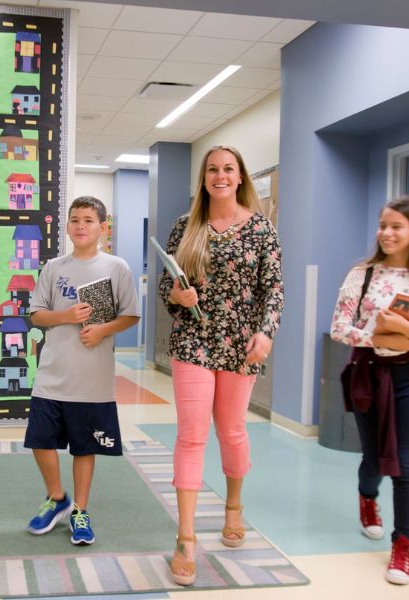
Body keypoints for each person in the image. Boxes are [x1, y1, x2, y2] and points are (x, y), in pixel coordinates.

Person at [158, 145, 284, 586]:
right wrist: (177, 295)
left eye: (228, 168)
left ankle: (234, 506)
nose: (220, 175)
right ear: (204, 178)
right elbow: (164, 286)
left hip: (240, 346)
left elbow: (275, 289)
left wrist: (265, 332)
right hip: (193, 340)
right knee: (191, 436)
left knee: (231, 430)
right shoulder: (185, 226)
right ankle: (186, 537)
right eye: (212, 169)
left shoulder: (262, 229)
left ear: (240, 176)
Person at [330, 196, 409, 585]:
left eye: (396, 227)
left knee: (404, 463)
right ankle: (368, 498)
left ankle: (403, 545)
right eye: (383, 226)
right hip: (368, 372)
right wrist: (377, 335)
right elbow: (338, 327)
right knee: (372, 459)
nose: (386, 233)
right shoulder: (362, 275)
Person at [24, 196, 140, 545]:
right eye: (74, 220)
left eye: (88, 220)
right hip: (52, 374)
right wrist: (66, 316)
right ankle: (58, 497)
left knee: (84, 447)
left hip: (92, 379)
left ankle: (80, 510)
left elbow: (130, 314)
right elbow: (36, 315)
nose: (80, 226)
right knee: (40, 440)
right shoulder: (54, 267)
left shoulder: (116, 267)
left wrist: (103, 329)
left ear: (103, 227)